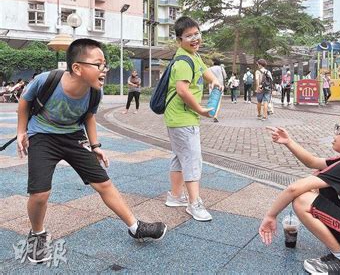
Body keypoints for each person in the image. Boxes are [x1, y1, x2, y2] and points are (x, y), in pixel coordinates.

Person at [16, 38, 167, 264]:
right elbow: (24, 101)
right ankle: (37, 234)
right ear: (77, 68)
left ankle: (135, 227)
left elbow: (89, 117)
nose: (105, 69)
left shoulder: (95, 93)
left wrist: (95, 146)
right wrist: (21, 132)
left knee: (103, 183)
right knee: (40, 194)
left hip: (73, 137)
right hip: (43, 136)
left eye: (105, 64)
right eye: (99, 64)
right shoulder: (47, 80)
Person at [259, 110, 340, 274]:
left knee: (302, 200)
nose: (335, 134)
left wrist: (270, 216)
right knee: (320, 180)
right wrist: (288, 141)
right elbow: (313, 162)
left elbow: (294, 188)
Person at [163, 16, 222, 222]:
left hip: (178, 117)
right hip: (183, 117)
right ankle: (194, 203)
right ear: (180, 40)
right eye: (189, 36)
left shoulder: (193, 56)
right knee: (192, 158)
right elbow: (181, 90)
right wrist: (200, 109)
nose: (195, 38)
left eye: (197, 33)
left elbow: (206, 72)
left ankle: (175, 196)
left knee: (180, 156)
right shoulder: (183, 61)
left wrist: (214, 80)